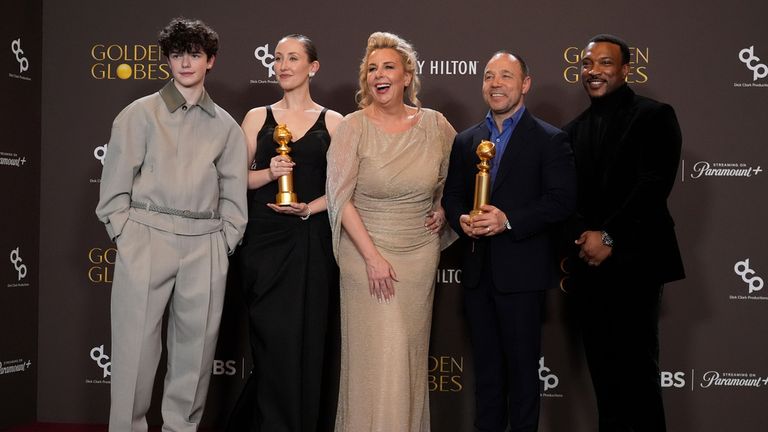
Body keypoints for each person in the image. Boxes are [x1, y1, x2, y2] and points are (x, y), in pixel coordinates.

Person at [94, 17, 247, 432]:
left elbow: (235, 195)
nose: (185, 63)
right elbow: (114, 189)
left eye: (194, 54)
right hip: (146, 237)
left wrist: (224, 243)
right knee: (134, 353)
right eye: (177, 54)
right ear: (167, 59)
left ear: (210, 61)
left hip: (205, 245)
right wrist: (127, 233)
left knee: (195, 357)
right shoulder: (139, 114)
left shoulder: (227, 127)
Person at [326, 31, 457, 432]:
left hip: (418, 254)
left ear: (406, 76)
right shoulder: (352, 127)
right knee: (379, 353)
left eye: (387, 67)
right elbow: (340, 199)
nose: (378, 75)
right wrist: (373, 258)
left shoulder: (436, 125)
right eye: (371, 69)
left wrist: (443, 207)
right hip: (365, 253)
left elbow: (461, 179)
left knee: (407, 357)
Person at [442, 51, 576, 432]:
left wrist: (508, 220)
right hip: (478, 274)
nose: (495, 83)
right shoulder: (467, 140)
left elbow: (561, 201)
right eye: (488, 76)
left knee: (521, 379)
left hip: (522, 276)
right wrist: (461, 219)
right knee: (486, 379)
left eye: (505, 76)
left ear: (525, 84)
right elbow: (451, 196)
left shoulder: (550, 140)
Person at [563, 34, 684, 432]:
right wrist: (586, 236)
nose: (593, 71)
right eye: (587, 64)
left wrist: (609, 237)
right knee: (604, 378)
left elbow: (653, 185)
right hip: (590, 268)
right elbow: (568, 197)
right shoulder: (571, 130)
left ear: (626, 69)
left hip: (637, 264)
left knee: (638, 376)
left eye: (604, 63)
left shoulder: (654, 115)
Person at [225, 34, 343, 432]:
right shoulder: (257, 117)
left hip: (312, 240)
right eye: (278, 58)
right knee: (273, 342)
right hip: (264, 242)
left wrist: (309, 208)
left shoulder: (335, 122)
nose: (283, 65)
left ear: (313, 67)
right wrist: (268, 174)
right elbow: (234, 179)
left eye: (293, 58)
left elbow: (344, 189)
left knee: (307, 341)